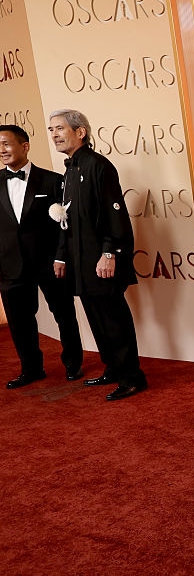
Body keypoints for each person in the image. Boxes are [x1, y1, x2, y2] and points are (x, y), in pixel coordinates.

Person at [48, 109, 146, 401]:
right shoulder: (69, 170)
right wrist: (62, 256)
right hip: (81, 262)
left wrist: (110, 253)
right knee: (96, 318)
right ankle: (113, 368)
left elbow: (115, 214)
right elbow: (67, 220)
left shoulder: (99, 166)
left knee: (114, 319)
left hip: (102, 260)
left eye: (60, 128)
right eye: (51, 129)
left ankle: (132, 377)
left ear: (80, 132)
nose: (54, 134)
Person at [0, 124, 83, 389]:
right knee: (20, 322)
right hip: (9, 266)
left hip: (49, 263)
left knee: (64, 314)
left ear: (24, 146)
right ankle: (31, 369)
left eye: (7, 143)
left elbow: (65, 225)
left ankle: (73, 363)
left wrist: (61, 257)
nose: (2, 150)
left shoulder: (53, 180)